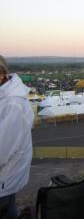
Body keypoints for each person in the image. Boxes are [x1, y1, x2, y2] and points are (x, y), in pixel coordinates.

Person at [0, 56, 34, 219]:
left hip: (4, 175)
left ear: (2, 74)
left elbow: (2, 150)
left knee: (6, 209)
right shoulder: (5, 95)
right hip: (6, 173)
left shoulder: (13, 103)